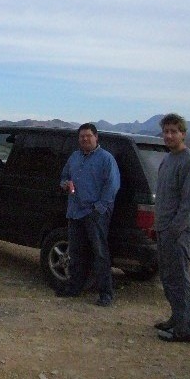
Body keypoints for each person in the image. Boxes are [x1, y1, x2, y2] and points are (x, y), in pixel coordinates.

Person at [58, 123, 121, 306]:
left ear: (96, 137)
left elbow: (112, 186)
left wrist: (99, 208)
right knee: (76, 252)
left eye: (88, 136)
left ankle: (105, 293)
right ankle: (74, 287)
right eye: (81, 137)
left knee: (100, 254)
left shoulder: (106, 159)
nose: (84, 139)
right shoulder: (75, 157)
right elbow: (63, 178)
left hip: (95, 214)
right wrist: (66, 184)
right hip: (75, 212)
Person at [154, 113, 190, 343]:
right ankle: (177, 317)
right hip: (164, 229)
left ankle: (185, 330)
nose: (169, 135)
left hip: (178, 232)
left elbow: (189, 203)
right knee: (168, 277)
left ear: (183, 134)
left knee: (180, 279)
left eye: (174, 131)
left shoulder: (189, 161)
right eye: (166, 131)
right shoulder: (168, 159)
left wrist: (174, 230)